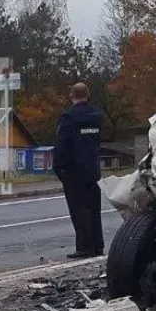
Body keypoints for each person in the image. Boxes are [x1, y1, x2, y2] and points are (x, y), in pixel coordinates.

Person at [53, 82, 103, 259]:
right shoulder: (97, 116)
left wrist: (59, 168)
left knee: (79, 210)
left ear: (71, 96)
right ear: (88, 95)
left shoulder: (69, 118)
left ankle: (84, 247)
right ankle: (98, 246)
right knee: (94, 210)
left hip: (74, 171)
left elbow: (62, 146)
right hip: (93, 170)